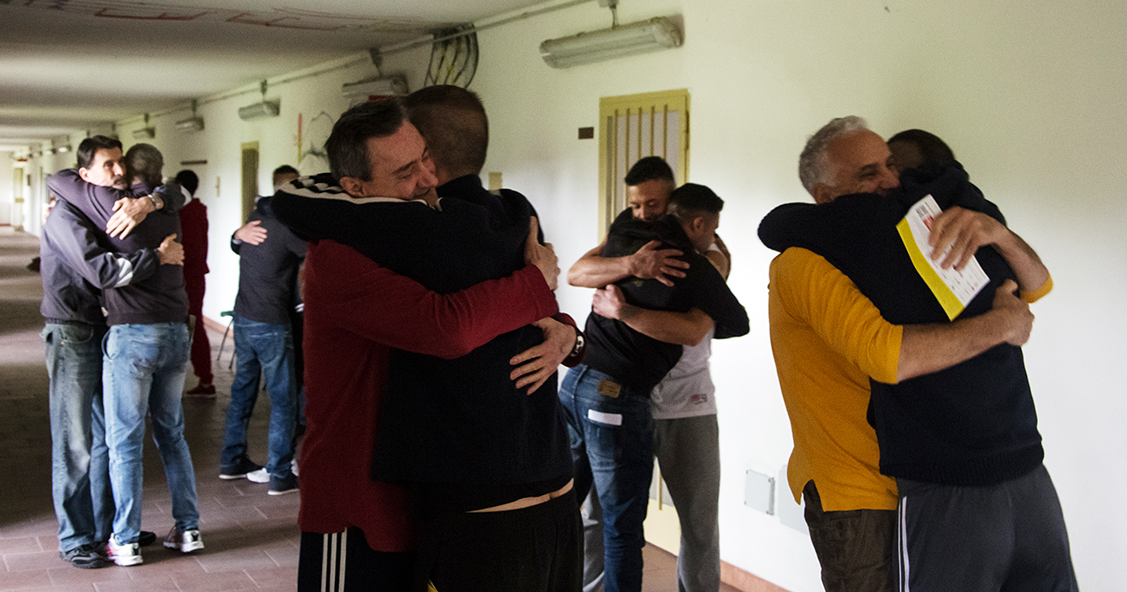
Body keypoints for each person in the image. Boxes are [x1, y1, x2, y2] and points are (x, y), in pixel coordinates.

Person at [760, 123, 1076, 591]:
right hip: (859, 490)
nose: (890, 181)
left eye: (891, 165)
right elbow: (888, 354)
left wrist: (997, 234)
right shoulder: (802, 261)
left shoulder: (892, 239)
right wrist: (1001, 326)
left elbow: (1035, 285)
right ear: (826, 195)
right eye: (869, 173)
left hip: (926, 480)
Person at [271, 98, 567, 592]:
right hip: (359, 498)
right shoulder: (339, 255)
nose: (428, 178)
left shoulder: (420, 235)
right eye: (406, 171)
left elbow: (484, 299)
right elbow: (447, 328)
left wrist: (564, 328)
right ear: (355, 188)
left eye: (426, 157)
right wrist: (537, 280)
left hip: (426, 493)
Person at [562, 178, 749, 592]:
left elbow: (695, 329)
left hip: (687, 404)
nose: (644, 214)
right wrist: (632, 265)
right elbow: (577, 272)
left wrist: (623, 310)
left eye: (653, 206)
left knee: (696, 522)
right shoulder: (630, 242)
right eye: (637, 205)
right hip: (620, 393)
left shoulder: (707, 260)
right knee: (598, 515)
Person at [49, 143, 204, 567]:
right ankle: (187, 528)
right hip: (173, 331)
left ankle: (124, 537)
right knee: (169, 435)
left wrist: (144, 203)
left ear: (128, 172)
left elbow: (58, 178)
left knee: (122, 441)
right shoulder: (170, 208)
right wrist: (157, 209)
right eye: (107, 164)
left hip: (131, 335)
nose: (114, 171)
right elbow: (180, 193)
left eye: (119, 164)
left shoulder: (109, 202)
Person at [217, 170, 307, 496]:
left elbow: (238, 245)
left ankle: (232, 461)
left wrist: (235, 235)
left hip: (243, 318)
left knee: (243, 392)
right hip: (271, 323)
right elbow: (318, 253)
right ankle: (280, 473)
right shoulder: (288, 229)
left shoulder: (255, 220)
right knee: (284, 400)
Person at [174, 170, 214, 398]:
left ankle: (206, 380)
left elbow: (190, 251)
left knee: (193, 327)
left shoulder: (186, 213)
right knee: (194, 327)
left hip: (187, 279)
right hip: (194, 278)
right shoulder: (198, 210)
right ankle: (205, 379)